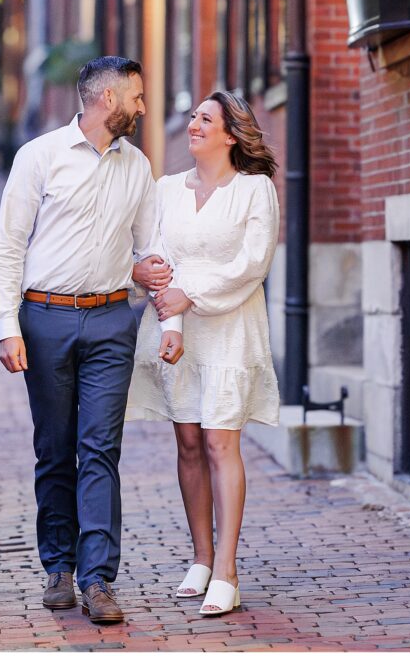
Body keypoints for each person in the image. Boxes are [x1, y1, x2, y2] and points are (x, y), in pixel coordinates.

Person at [0, 56, 183, 624]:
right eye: (137, 97)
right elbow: (8, 246)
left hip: (110, 323)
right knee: (55, 449)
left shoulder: (137, 167)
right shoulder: (39, 157)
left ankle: (98, 578)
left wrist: (167, 319)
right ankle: (58, 568)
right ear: (106, 100)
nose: (145, 107)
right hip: (44, 319)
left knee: (100, 448)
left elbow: (152, 255)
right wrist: (7, 325)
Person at [126, 91, 280, 616]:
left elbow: (251, 263)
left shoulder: (254, 190)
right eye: (193, 116)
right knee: (188, 441)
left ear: (231, 135)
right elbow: (154, 257)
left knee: (220, 443)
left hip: (231, 328)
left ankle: (229, 572)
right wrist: (171, 316)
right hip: (177, 332)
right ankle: (200, 558)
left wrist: (191, 293)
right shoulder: (166, 190)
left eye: (205, 119)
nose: (193, 124)